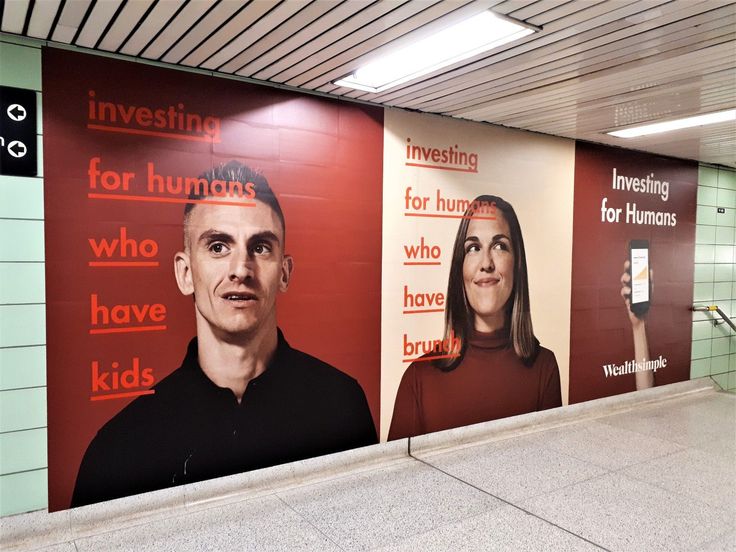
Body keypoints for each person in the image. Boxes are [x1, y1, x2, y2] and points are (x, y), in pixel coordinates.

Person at [72, 161, 377, 507]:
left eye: (260, 247)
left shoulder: (342, 403)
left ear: (285, 273)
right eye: (218, 246)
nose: (240, 269)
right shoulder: (118, 446)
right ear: (185, 272)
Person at [389, 194, 561, 440]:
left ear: (517, 263)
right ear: (460, 267)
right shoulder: (418, 378)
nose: (486, 263)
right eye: (473, 248)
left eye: (500, 246)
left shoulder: (544, 368)